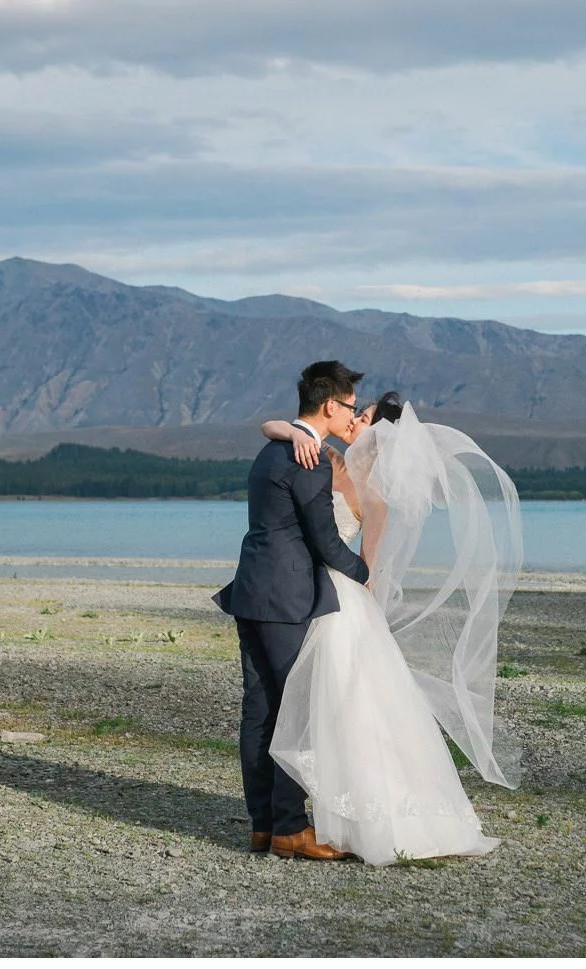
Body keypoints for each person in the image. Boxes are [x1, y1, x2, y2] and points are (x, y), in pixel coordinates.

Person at [260, 391, 523, 866]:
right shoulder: (332, 460)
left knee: (345, 708)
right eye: (356, 415)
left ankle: (361, 819)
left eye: (363, 419)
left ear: (384, 439)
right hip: (313, 596)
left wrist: (366, 613)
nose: (355, 422)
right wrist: (295, 429)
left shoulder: (374, 494)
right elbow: (270, 427)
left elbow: (371, 567)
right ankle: (313, 817)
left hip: (342, 603)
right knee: (329, 707)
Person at [212, 361, 370, 861]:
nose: (350, 415)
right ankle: (289, 829)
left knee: (259, 710)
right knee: (295, 710)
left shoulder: (272, 448)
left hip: (252, 590)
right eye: (348, 406)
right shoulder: (309, 459)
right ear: (330, 404)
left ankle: (263, 825)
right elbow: (323, 538)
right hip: (285, 600)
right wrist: (366, 575)